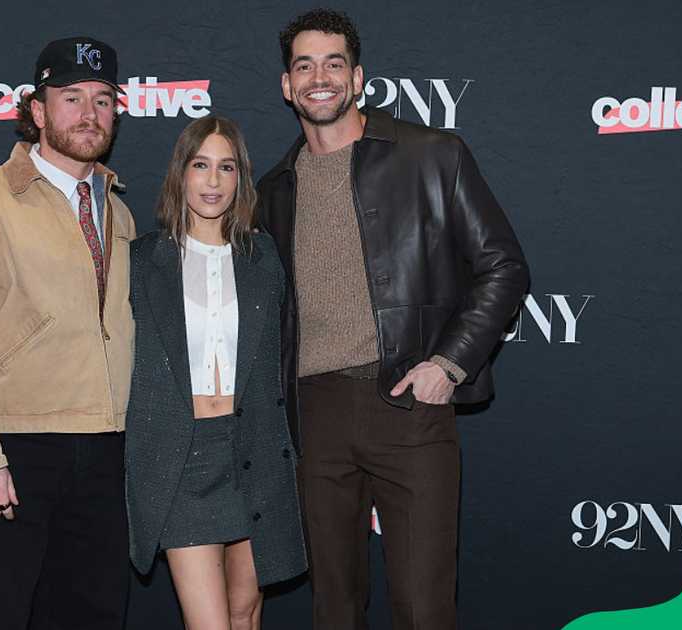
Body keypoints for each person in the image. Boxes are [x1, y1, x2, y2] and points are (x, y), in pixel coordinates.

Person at [255, 9, 530, 630]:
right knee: (335, 608)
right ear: (285, 85)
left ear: (358, 79)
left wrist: (449, 363)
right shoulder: (274, 189)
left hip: (409, 404)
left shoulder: (432, 155)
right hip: (313, 412)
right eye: (304, 65)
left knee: (422, 606)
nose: (318, 77)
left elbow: (503, 267)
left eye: (333, 64)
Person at [0, 37, 135, 630]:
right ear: (37, 110)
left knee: (92, 616)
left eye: (102, 100)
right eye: (70, 98)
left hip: (107, 448)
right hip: (15, 449)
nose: (89, 114)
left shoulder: (118, 207)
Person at [126, 115, 307, 630]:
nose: (212, 181)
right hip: (182, 458)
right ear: (180, 174)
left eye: (226, 168)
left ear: (240, 178)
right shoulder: (140, 262)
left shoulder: (266, 259)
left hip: (256, 450)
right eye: (200, 165)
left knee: (245, 612)